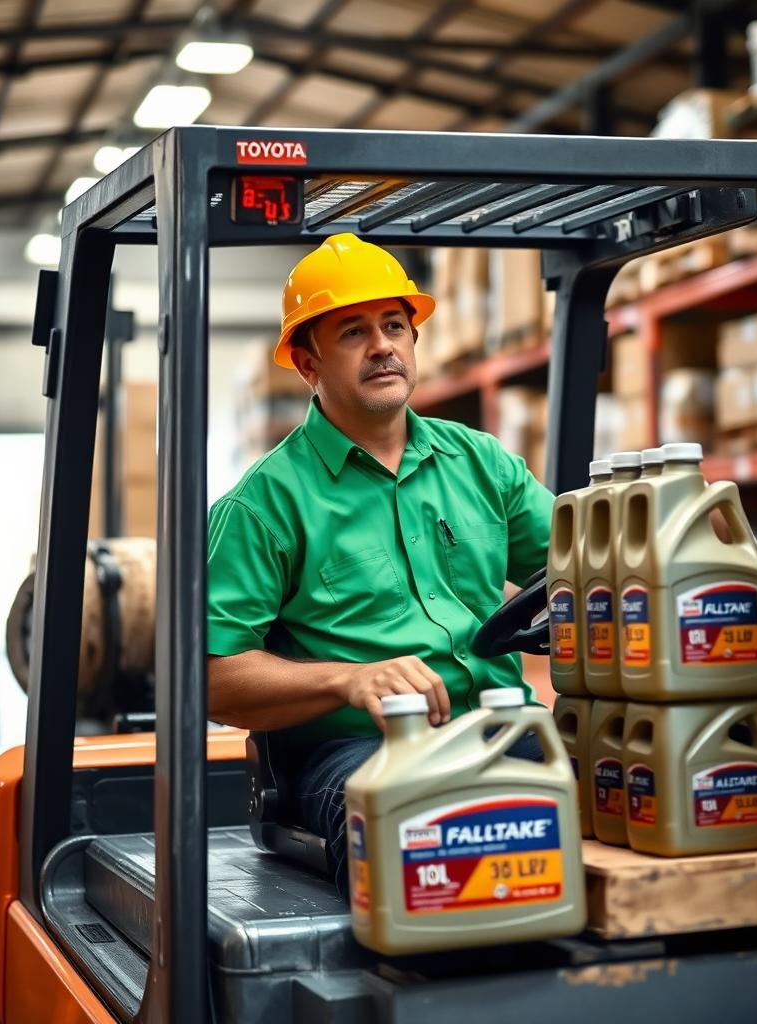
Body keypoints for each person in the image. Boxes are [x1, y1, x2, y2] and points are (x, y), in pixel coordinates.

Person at [206, 233, 555, 896]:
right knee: (422, 827)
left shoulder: (482, 464)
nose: (383, 346)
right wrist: (348, 681)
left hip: (500, 723)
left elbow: (584, 561)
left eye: (395, 325)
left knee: (628, 780)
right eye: (353, 332)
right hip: (359, 750)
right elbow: (213, 678)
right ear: (308, 365)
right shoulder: (264, 504)